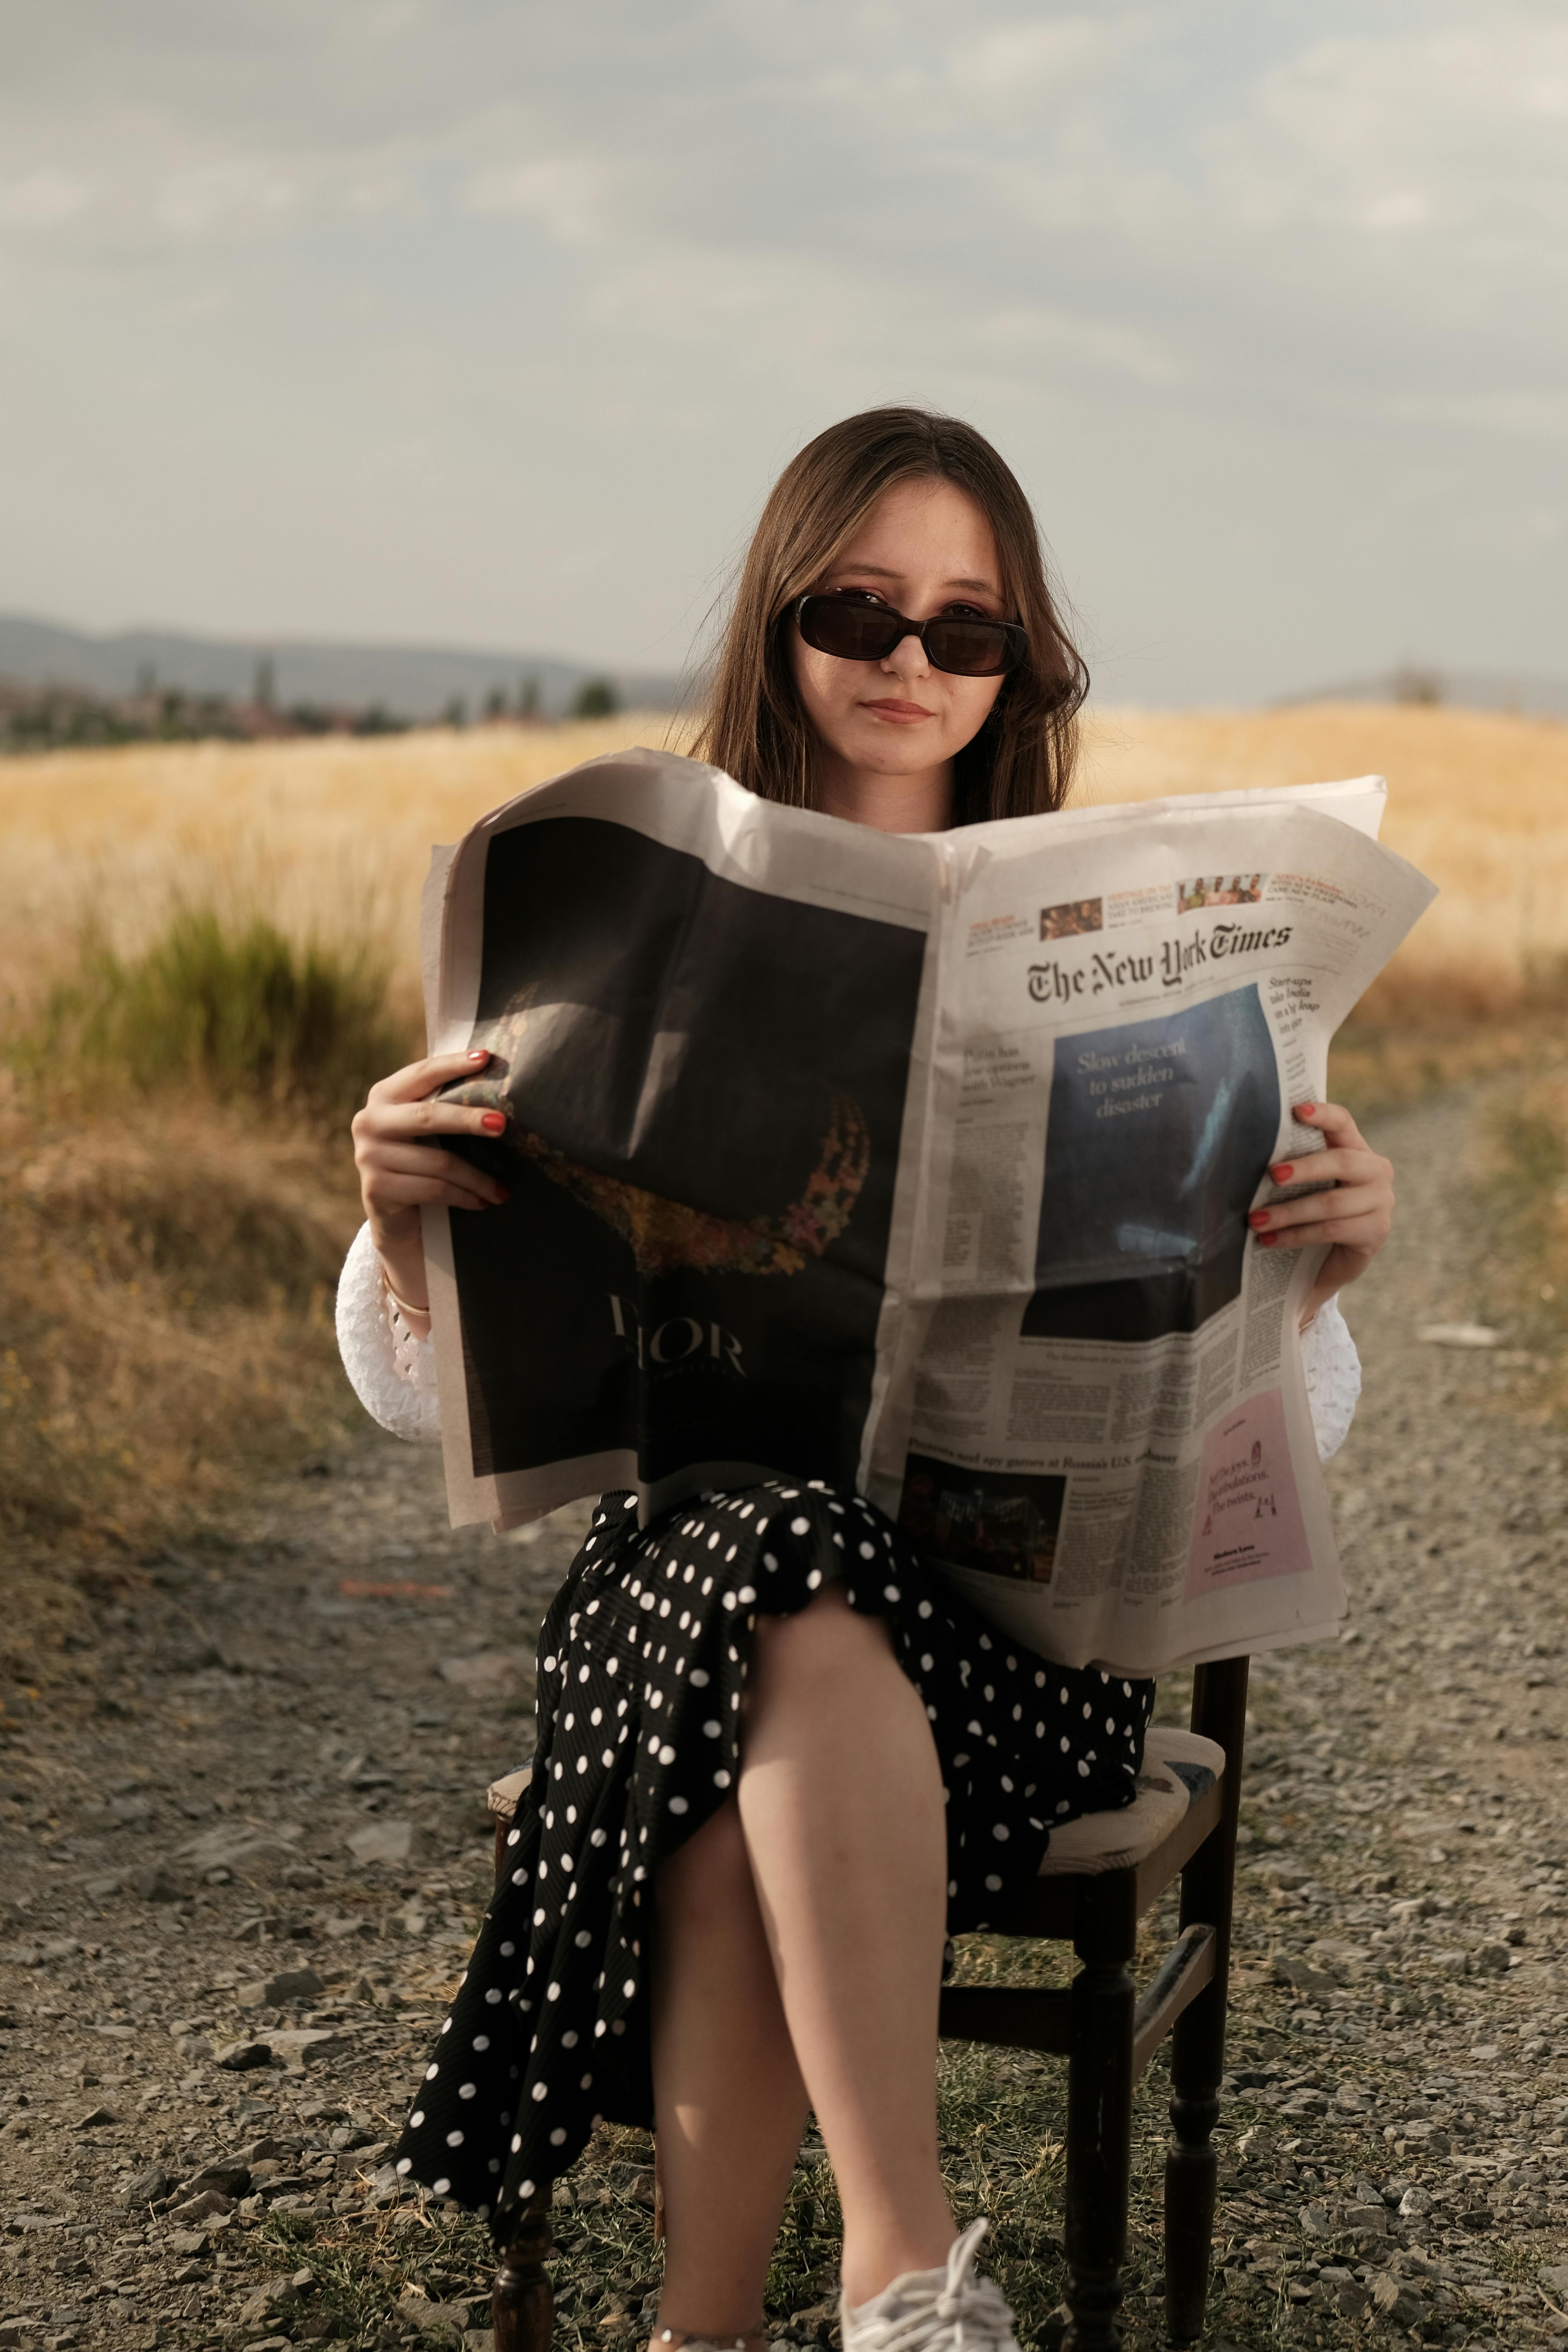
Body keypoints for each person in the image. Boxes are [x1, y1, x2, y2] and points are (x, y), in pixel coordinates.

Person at [337, 409, 1390, 2352]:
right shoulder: (639, 921)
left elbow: (1265, 1434)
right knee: (774, 1575)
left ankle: (717, 2331)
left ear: (1019, 667)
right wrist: (403, 1221)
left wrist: (1310, 1275)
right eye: (863, 608)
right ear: (783, 619)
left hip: (1003, 1674)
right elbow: (432, 1405)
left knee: (762, 1678)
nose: (913, 661)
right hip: (706, 1608)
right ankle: (907, 2288)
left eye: (969, 628)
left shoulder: (1137, 932)